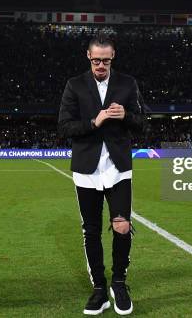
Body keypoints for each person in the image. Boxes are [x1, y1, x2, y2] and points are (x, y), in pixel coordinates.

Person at [58, 34, 144, 315]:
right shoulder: (75, 85)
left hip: (118, 168)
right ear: (88, 56)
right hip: (87, 170)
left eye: (106, 61)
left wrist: (125, 117)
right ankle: (99, 289)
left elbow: (143, 123)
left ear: (113, 57)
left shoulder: (127, 83)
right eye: (96, 60)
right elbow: (65, 127)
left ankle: (119, 283)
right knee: (91, 231)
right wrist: (94, 122)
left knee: (121, 225)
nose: (101, 66)